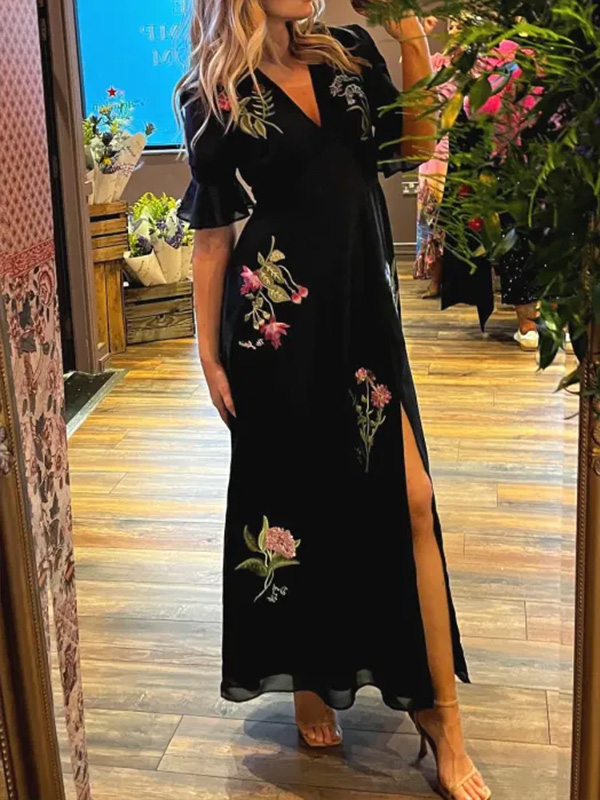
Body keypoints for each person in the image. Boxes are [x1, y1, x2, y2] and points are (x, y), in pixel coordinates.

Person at [176, 2, 491, 798]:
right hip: (274, 325)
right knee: (297, 501)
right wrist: (207, 352)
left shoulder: (345, 53)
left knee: (411, 499)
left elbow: (414, 144)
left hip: (362, 314)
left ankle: (444, 717)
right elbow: (213, 232)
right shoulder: (213, 90)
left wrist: (412, 32)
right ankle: (310, 673)